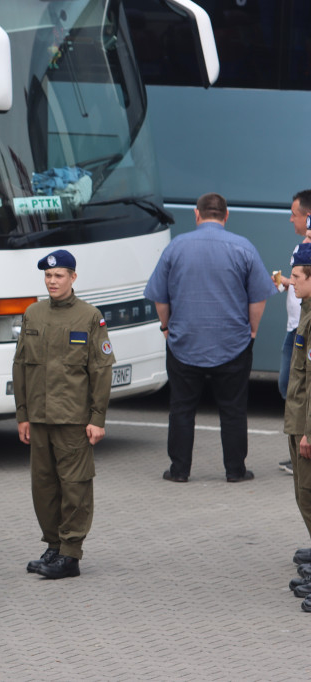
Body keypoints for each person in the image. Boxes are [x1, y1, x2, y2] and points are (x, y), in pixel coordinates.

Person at [144, 192, 276, 482]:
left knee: (181, 408)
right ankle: (235, 470)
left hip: (183, 343)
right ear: (226, 216)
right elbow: (258, 298)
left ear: (197, 214)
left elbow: (160, 298)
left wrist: (166, 327)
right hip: (233, 343)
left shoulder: (175, 247)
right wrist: (252, 330)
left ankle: (179, 470)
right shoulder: (244, 248)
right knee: (233, 409)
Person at [13, 250, 113, 579]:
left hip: (72, 419)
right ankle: (53, 545)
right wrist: (23, 414)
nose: (52, 281)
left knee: (75, 487)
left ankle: (70, 554)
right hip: (39, 418)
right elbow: (20, 366)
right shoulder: (33, 314)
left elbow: (101, 370)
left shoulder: (89, 316)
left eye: (59, 276)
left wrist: (97, 419)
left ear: (73, 277)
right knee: (43, 486)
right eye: (48, 276)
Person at [282, 244, 311, 611]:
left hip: (307, 423)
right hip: (298, 418)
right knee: (304, 495)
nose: (290, 282)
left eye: (298, 277)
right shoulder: (306, 310)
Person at [277, 191, 311, 474]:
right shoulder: (302, 245)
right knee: (289, 385)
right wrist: (288, 282)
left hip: (302, 328)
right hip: (294, 327)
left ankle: (302, 441)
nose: (291, 219)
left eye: (295, 213)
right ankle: (298, 441)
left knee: (297, 386)